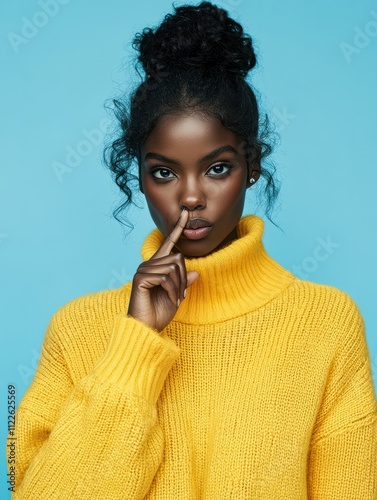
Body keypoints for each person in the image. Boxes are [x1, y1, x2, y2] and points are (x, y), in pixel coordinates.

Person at [10, 2, 377, 498]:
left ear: (252, 166)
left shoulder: (328, 323)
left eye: (217, 168)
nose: (189, 196)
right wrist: (137, 342)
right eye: (163, 172)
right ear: (137, 179)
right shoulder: (76, 331)